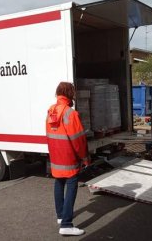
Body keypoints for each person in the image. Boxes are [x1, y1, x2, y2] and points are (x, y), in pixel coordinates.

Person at [46, 82, 90, 236]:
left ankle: (60, 216)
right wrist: (85, 158)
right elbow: (78, 140)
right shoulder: (70, 113)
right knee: (71, 185)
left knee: (59, 183)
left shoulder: (51, 111)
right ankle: (66, 224)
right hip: (69, 158)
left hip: (56, 157)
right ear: (70, 94)